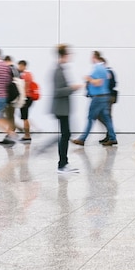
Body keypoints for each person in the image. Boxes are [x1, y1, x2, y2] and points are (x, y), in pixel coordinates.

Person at [72, 51, 117, 146]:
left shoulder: (97, 68)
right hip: (105, 96)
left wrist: (89, 79)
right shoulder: (104, 69)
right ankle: (112, 137)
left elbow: (98, 82)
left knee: (90, 118)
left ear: (94, 57)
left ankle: (82, 139)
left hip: (98, 97)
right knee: (107, 118)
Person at [52, 44, 83, 173]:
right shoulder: (58, 70)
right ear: (64, 55)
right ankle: (62, 164)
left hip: (63, 108)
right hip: (61, 108)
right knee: (65, 135)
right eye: (68, 54)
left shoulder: (61, 69)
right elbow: (58, 91)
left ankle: (63, 163)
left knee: (66, 134)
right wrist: (72, 88)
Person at [17, 60, 35, 142]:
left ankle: (27, 135)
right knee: (24, 117)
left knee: (25, 117)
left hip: (25, 98)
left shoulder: (25, 75)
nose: (19, 68)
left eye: (20, 66)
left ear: (24, 66)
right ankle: (27, 134)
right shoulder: (28, 74)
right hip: (28, 97)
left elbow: (25, 88)